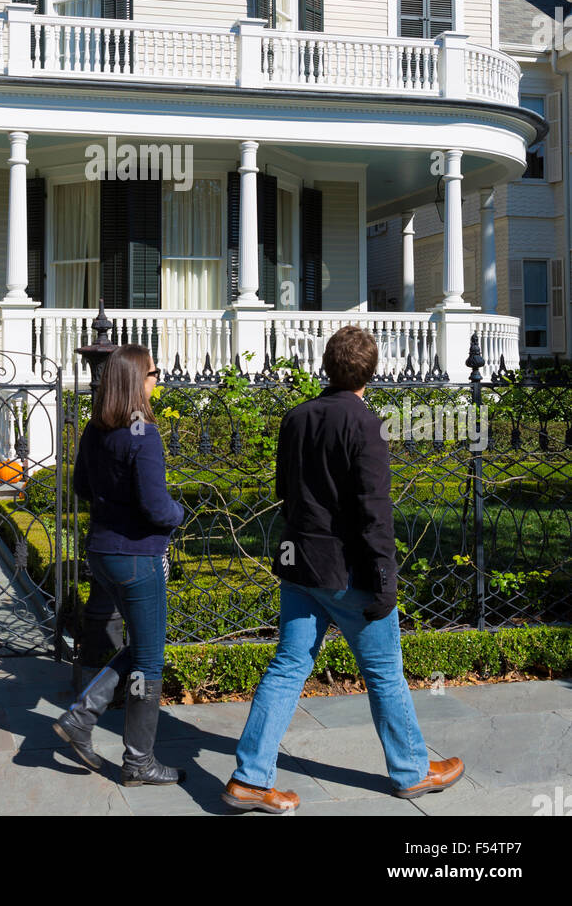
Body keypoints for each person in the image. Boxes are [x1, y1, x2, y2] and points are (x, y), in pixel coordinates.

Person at [222, 325, 464, 814]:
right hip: (348, 573)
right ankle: (413, 771)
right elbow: (375, 514)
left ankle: (249, 779)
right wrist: (386, 581)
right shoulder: (366, 424)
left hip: (300, 564)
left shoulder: (296, 417)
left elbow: (284, 490)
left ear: (327, 367)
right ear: (370, 373)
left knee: (288, 668)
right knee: (385, 674)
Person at [54, 344, 186, 787]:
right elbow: (155, 505)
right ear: (136, 381)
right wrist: (177, 515)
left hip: (103, 552)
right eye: (153, 373)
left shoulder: (96, 430)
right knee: (149, 660)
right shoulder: (143, 435)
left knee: (139, 648)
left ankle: (83, 715)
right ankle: (138, 762)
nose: (157, 380)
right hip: (137, 557)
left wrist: (114, 504)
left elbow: (81, 486)